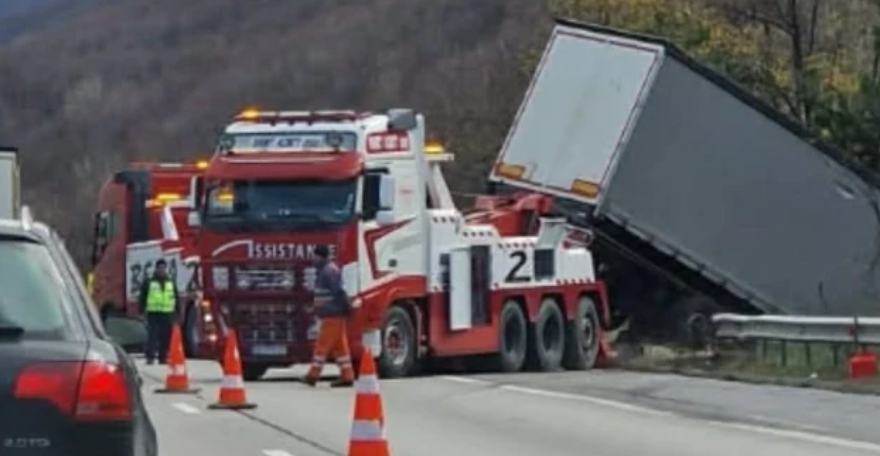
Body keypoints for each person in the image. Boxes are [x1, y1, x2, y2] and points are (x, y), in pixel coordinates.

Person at [304, 245, 355, 387]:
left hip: (332, 314)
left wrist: (346, 308)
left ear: (321, 256)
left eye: (315, 256)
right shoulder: (326, 270)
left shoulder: (329, 271)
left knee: (322, 345)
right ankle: (347, 375)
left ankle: (313, 375)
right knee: (340, 347)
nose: (313, 259)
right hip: (332, 313)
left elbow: (339, 291)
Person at [138, 259, 180, 365]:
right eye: (160, 268)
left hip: (167, 313)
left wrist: (178, 312)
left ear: (166, 269)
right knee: (152, 335)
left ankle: (163, 357)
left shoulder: (171, 283)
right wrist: (141, 311)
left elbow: (176, 298)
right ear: (156, 269)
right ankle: (150, 357)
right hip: (153, 313)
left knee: (165, 336)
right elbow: (142, 297)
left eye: (163, 268)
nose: (162, 270)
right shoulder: (149, 282)